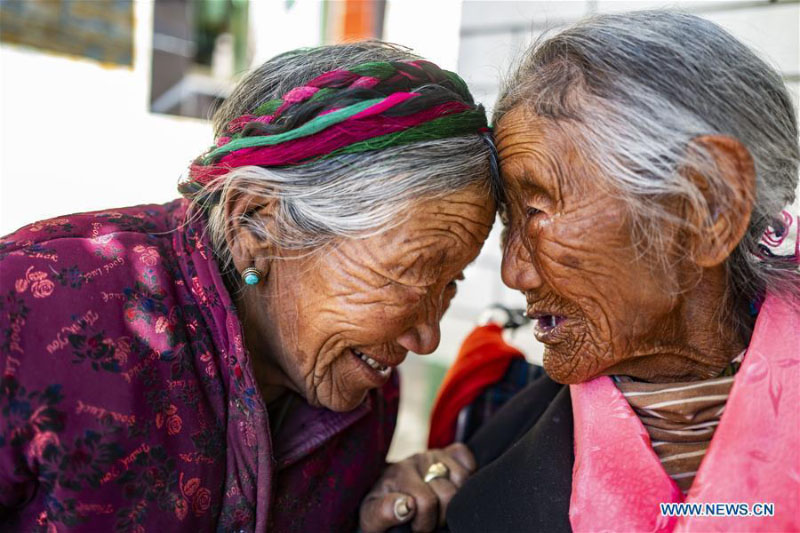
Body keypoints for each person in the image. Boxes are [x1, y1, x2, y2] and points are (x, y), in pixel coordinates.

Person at [0, 42, 496, 532]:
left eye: (450, 282)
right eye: (408, 275)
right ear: (254, 226)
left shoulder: (367, 393)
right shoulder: (38, 310)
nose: (427, 338)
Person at [439, 11, 799, 532]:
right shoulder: (485, 458)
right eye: (508, 221)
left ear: (705, 208)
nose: (516, 272)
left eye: (537, 212)